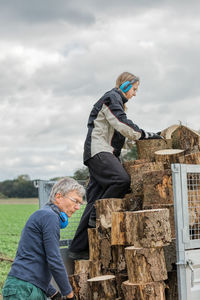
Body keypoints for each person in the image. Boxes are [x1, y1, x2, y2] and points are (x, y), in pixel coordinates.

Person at [68, 71, 163, 260]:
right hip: (100, 152)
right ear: (126, 86)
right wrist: (146, 134)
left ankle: (77, 249)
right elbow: (122, 123)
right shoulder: (112, 98)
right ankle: (97, 212)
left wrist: (139, 138)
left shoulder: (115, 102)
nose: (135, 94)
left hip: (102, 153)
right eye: (134, 89)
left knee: (93, 201)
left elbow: (120, 135)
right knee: (121, 180)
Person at [2, 177, 85, 300]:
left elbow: (36, 258)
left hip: (28, 287)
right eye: (75, 201)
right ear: (58, 197)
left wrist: (53, 293)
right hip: (24, 290)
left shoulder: (45, 214)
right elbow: (54, 260)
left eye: (80, 203)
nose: (78, 207)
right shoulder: (50, 216)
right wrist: (69, 294)